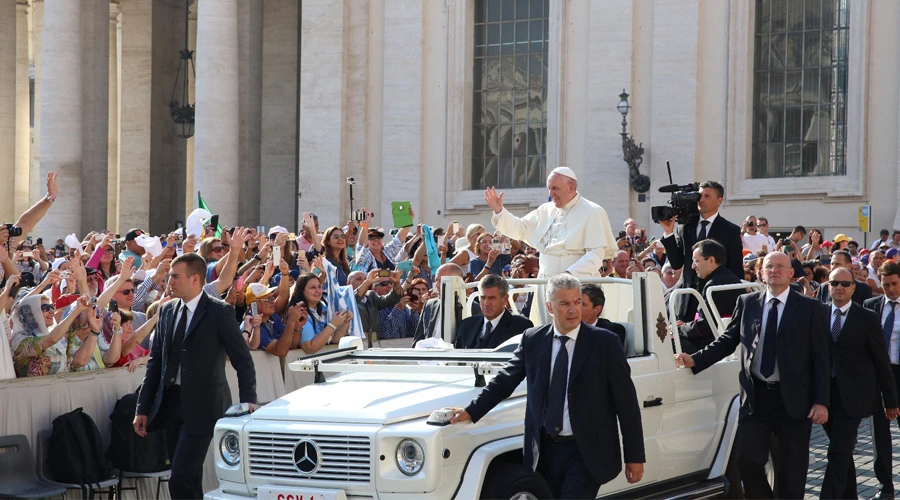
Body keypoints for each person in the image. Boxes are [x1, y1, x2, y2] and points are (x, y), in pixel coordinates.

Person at [446, 274, 645, 499]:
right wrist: (470, 411)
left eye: (578, 302)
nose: (573, 310)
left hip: (586, 452)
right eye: (565, 303)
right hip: (544, 450)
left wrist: (634, 456)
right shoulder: (532, 339)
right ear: (550, 307)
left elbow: (626, 403)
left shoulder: (605, 343)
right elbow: (505, 381)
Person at [674, 251, 830, 499]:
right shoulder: (748, 303)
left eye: (781, 266)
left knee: (792, 468)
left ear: (791, 273)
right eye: (769, 266)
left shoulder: (811, 308)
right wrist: (695, 359)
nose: (775, 270)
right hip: (756, 396)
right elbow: (727, 340)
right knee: (746, 460)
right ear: (761, 272)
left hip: (794, 399)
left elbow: (822, 358)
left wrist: (821, 401)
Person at [134, 253, 258, 500]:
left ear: (195, 279)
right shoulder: (166, 310)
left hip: (205, 407)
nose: (170, 281)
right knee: (187, 477)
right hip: (171, 405)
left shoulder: (219, 312)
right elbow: (155, 363)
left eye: (175, 276)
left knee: (180, 477)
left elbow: (243, 360)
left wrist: (248, 401)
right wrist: (142, 408)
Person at [819, 268, 898, 499]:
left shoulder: (866, 317)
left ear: (854, 287)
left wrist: (890, 399)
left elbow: (881, 361)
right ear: (828, 286)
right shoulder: (817, 314)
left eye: (845, 283)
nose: (839, 288)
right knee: (841, 451)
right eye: (834, 283)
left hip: (854, 396)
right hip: (825, 395)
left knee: (837, 450)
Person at [484, 167, 616, 278]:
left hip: (579, 282)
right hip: (545, 282)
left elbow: (595, 255)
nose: (551, 194)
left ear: (570, 187)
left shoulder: (593, 211)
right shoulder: (545, 210)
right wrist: (499, 210)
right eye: (549, 189)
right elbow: (520, 229)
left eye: (555, 188)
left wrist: (568, 275)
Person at [658, 181, 743, 322]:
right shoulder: (684, 227)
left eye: (707, 196)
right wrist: (668, 233)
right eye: (699, 195)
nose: (701, 200)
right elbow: (677, 262)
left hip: (714, 299)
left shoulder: (730, 230)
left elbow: (735, 268)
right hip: (685, 301)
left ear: (719, 201)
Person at [863, 261, 900, 500]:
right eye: (886, 285)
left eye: (895, 284)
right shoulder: (871, 307)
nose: (891, 289)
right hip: (878, 377)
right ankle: (886, 486)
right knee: (879, 434)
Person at [677, 240, 745, 353]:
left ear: (711, 260)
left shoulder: (715, 284)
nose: (693, 266)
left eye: (696, 261)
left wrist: (679, 329)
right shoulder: (728, 277)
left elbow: (705, 327)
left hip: (718, 345)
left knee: (671, 341)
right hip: (729, 339)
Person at [453, 274, 533, 349]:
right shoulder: (466, 326)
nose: (486, 303)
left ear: (505, 299)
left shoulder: (521, 327)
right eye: (483, 298)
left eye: (492, 298)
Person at [412, 263, 465, 345]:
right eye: (436, 280)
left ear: (457, 281)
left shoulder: (472, 306)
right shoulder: (429, 305)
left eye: (442, 281)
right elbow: (418, 340)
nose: (436, 285)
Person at [349, 270, 402, 346]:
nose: (364, 281)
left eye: (365, 278)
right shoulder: (345, 298)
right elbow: (354, 299)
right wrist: (367, 282)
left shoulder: (371, 296)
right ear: (348, 283)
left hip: (374, 346)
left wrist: (396, 283)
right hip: (356, 346)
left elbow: (392, 299)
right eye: (359, 279)